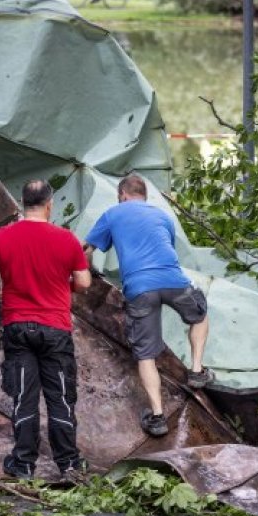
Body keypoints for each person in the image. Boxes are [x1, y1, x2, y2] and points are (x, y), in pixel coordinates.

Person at [0, 179, 92, 483]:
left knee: (23, 394)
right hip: (55, 329)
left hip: (18, 328)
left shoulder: (2, 237)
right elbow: (85, 282)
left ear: (24, 203)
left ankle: (23, 465)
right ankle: (69, 465)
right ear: (50, 204)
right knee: (60, 395)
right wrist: (67, 284)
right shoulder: (66, 239)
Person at [83, 173, 211, 437]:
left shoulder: (113, 213)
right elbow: (166, 249)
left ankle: (157, 416)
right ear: (145, 196)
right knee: (199, 314)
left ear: (122, 195)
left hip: (139, 288)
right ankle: (197, 370)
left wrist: (90, 272)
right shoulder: (163, 216)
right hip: (173, 280)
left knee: (146, 355)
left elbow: (86, 250)